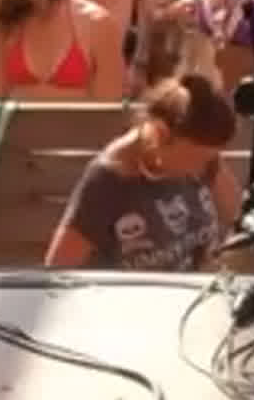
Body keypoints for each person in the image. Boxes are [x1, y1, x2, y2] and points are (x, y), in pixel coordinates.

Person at [45, 72, 242, 272]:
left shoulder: (203, 157)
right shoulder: (109, 181)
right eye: (194, 160)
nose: (201, 170)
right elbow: (57, 269)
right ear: (160, 133)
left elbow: (240, 218)